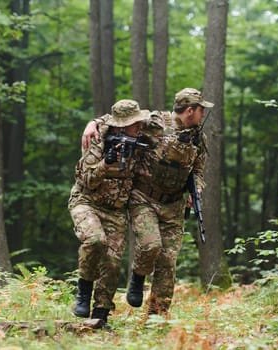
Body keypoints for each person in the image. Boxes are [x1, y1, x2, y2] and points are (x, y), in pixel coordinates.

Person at [82, 88, 213, 315]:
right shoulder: (155, 122)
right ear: (191, 110)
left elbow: (199, 171)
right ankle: (138, 276)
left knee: (167, 262)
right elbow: (121, 120)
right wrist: (93, 123)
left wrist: (196, 190)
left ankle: (157, 316)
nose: (203, 115)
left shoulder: (198, 137)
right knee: (151, 245)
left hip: (174, 206)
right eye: (202, 110)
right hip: (144, 198)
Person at [68, 99, 152, 328]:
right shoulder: (97, 141)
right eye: (134, 123)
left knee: (113, 263)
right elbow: (86, 180)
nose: (139, 127)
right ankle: (84, 291)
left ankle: (101, 314)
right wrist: (106, 163)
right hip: (87, 202)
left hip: (116, 210)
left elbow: (163, 122)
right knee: (95, 240)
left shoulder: (139, 139)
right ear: (121, 126)